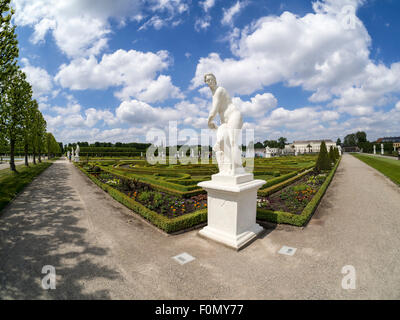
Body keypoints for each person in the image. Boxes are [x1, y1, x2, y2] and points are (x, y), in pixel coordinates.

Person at [204, 73, 244, 175]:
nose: (210, 81)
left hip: (234, 116)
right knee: (219, 143)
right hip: (224, 123)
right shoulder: (213, 94)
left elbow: (214, 110)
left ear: (215, 80)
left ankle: (236, 169)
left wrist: (209, 121)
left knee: (232, 141)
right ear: (206, 83)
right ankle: (225, 168)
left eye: (211, 79)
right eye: (208, 80)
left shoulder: (219, 90)